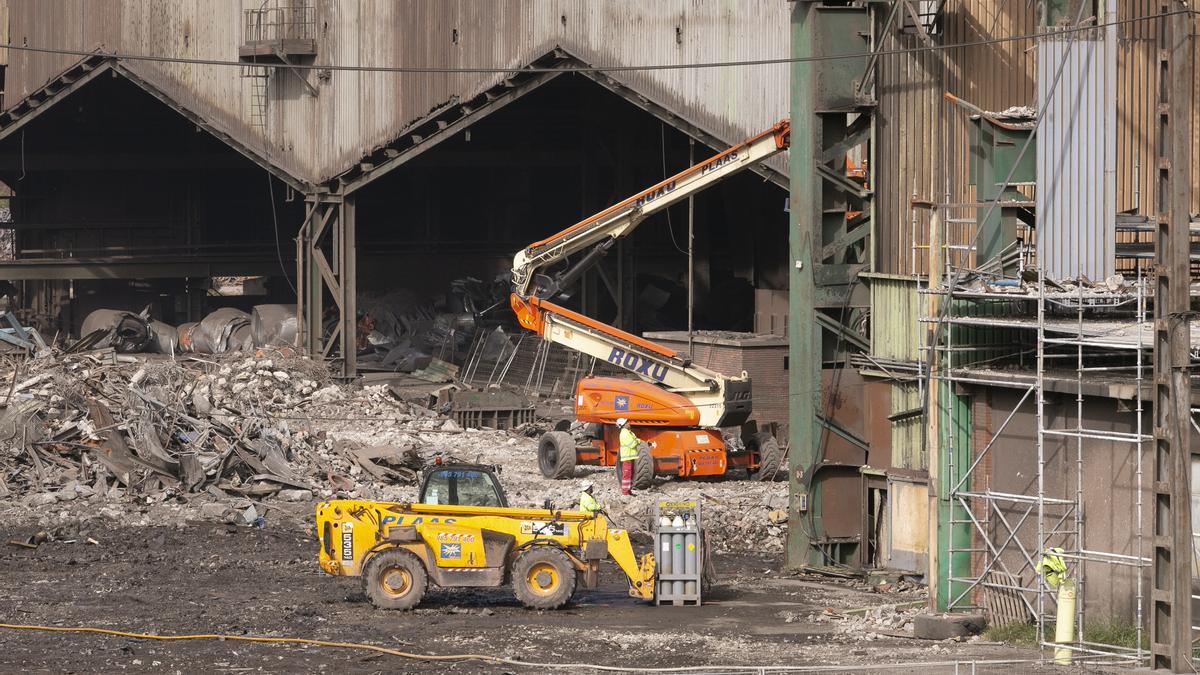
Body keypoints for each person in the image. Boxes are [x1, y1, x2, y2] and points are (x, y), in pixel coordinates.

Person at [616, 417, 641, 495]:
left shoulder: (628, 432)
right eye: (626, 423)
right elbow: (633, 443)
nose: (628, 423)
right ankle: (625, 492)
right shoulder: (624, 433)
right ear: (623, 425)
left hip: (630, 457)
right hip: (627, 458)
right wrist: (637, 441)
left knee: (629, 475)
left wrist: (637, 440)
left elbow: (636, 440)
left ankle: (628, 490)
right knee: (626, 475)